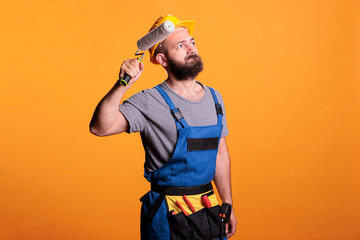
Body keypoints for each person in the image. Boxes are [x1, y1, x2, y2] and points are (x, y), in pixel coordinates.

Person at [90, 14, 237, 240]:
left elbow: (220, 153)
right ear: (162, 59)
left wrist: (227, 203)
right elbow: (100, 127)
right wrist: (122, 84)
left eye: (192, 42)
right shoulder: (150, 101)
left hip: (209, 209)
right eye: (180, 44)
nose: (191, 48)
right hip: (167, 215)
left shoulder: (215, 99)